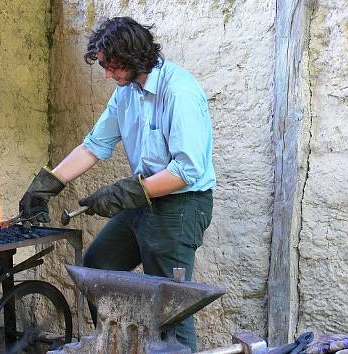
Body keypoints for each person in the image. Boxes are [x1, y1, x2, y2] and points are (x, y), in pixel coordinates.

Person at [18, 16, 215, 350]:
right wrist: (47, 186)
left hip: (181, 206)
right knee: (99, 266)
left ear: (133, 57)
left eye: (111, 66)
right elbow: (94, 145)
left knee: (172, 306)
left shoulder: (178, 91)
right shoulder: (127, 93)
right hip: (144, 200)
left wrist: (127, 192)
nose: (107, 75)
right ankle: (119, 344)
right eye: (104, 66)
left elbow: (187, 170)